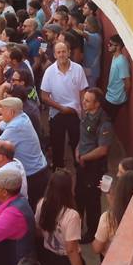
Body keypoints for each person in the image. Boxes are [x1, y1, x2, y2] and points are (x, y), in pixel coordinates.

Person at [0, 97, 50, 210]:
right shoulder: (20, 117)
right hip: (36, 170)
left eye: (3, 109)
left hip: (34, 176)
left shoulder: (16, 125)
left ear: (11, 112)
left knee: (31, 211)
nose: (1, 111)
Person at [34, 169, 88, 265]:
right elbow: (71, 250)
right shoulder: (72, 215)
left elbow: (38, 231)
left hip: (48, 260)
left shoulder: (41, 204)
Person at [40, 41, 88, 170]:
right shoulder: (49, 72)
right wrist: (61, 108)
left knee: (77, 142)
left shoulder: (78, 69)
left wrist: (84, 113)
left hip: (75, 113)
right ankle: (58, 168)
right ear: (55, 55)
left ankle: (78, 166)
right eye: (58, 52)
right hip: (57, 113)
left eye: (64, 51)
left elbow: (82, 92)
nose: (61, 54)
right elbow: (44, 96)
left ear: (69, 52)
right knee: (57, 144)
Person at [75, 88, 113, 244]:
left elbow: (103, 149)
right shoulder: (86, 114)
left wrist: (84, 156)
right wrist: (78, 148)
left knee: (92, 201)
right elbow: (84, 136)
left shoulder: (104, 123)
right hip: (82, 163)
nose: (83, 102)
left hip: (94, 167)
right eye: (84, 99)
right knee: (79, 196)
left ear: (97, 104)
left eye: (87, 100)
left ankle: (92, 232)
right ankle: (77, 227)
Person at [92, 169, 133, 257]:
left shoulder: (108, 218)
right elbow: (121, 207)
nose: (117, 175)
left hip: (114, 262)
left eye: (121, 172)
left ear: (119, 189)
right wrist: (109, 194)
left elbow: (97, 248)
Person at [104, 35, 131, 120]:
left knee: (107, 123)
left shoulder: (121, 61)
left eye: (111, 44)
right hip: (109, 96)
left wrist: (124, 98)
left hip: (115, 100)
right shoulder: (115, 57)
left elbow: (127, 83)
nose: (108, 45)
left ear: (118, 46)